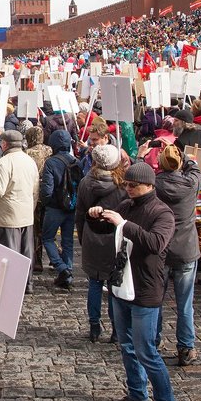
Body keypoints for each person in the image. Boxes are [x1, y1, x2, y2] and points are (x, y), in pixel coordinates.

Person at [87, 162, 179, 401]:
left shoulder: (162, 212)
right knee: (126, 345)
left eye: (133, 186)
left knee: (146, 350)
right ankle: (138, 394)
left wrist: (123, 223)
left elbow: (155, 244)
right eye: (126, 185)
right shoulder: (127, 206)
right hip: (121, 284)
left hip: (145, 288)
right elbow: (110, 232)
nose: (127, 189)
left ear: (149, 186)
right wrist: (98, 217)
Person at [154, 145, 201, 365]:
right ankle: (186, 346)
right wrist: (186, 158)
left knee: (156, 299)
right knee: (185, 303)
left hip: (161, 248)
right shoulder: (191, 183)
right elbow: (196, 168)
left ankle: (153, 341)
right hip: (186, 249)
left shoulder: (155, 184)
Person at [75, 144, 127, 342]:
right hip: (114, 237)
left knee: (95, 283)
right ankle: (116, 329)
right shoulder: (122, 183)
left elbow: (80, 213)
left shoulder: (86, 182)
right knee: (114, 286)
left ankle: (95, 326)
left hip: (93, 235)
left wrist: (81, 235)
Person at [0, 129, 39, 294]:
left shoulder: (4, 163)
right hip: (26, 211)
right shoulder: (29, 160)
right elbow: (35, 188)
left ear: (4, 144)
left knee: (11, 252)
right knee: (26, 251)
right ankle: (27, 284)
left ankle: (13, 286)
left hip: (8, 215)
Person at [39, 129, 79, 289]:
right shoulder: (75, 161)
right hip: (71, 207)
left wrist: (45, 203)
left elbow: (47, 190)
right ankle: (67, 271)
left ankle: (62, 269)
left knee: (47, 239)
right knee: (68, 241)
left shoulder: (51, 162)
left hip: (55, 207)